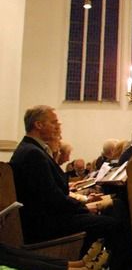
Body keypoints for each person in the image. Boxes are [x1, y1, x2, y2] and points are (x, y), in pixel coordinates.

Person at [9, 106, 118, 254]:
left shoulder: (31, 149)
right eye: (54, 123)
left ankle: (89, 260)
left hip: (45, 217)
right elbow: (52, 197)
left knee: (102, 219)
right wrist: (84, 208)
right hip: (43, 224)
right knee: (113, 224)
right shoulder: (33, 153)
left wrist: (83, 208)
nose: (58, 127)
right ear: (38, 125)